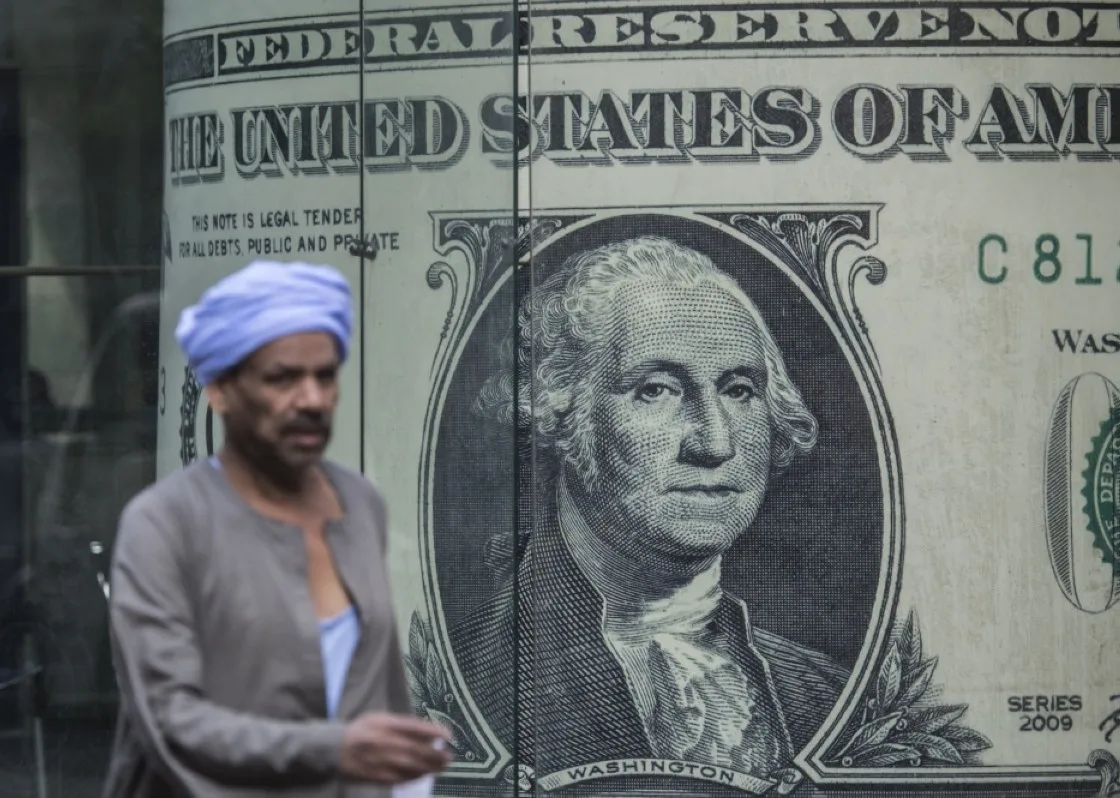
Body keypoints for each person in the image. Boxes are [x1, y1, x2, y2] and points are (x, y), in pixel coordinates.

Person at [453, 237, 849, 782]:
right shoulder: (468, 677)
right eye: (657, 389)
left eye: (738, 390)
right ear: (560, 410)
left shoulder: (824, 694)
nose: (714, 443)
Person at [103, 261, 451, 797]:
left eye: (325, 376)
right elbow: (170, 719)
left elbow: (373, 692)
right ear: (221, 391)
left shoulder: (358, 506)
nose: (311, 400)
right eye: (282, 378)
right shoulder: (164, 524)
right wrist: (334, 750)